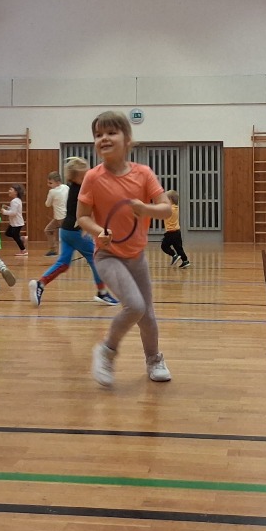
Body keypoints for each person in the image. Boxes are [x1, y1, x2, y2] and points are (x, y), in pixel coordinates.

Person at [78, 110, 173, 387]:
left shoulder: (143, 174)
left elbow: (166, 209)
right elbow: (81, 217)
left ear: (127, 139)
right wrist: (98, 231)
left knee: (147, 315)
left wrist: (145, 209)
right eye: (98, 134)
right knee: (135, 306)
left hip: (136, 256)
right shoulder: (92, 177)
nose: (104, 138)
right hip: (107, 255)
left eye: (111, 132)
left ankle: (154, 359)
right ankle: (107, 350)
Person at [28, 157, 120, 308]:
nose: (88, 177)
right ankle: (102, 292)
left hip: (65, 230)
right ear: (77, 178)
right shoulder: (81, 190)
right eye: (85, 175)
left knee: (63, 263)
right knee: (96, 259)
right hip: (76, 232)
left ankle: (40, 284)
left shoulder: (72, 187)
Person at [159, 190, 190, 268]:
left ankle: (174, 255)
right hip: (177, 232)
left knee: (164, 246)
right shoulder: (176, 208)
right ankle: (185, 261)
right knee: (179, 248)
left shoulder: (169, 209)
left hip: (170, 233)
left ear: (170, 200)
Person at [42, 171, 68, 256]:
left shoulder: (52, 192)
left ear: (58, 182)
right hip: (65, 216)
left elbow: (47, 204)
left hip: (60, 217)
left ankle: (56, 250)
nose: (48, 185)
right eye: (48, 183)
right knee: (48, 230)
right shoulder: (66, 187)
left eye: (50, 183)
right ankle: (53, 249)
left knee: (67, 235)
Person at [2, 184, 27, 256]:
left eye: (11, 189)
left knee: (15, 236)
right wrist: (8, 208)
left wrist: (4, 212)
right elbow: (14, 210)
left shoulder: (14, 201)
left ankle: (23, 250)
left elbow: (13, 213)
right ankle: (22, 238)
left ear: (16, 192)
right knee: (8, 233)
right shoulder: (17, 200)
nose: (9, 191)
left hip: (16, 223)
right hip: (15, 223)